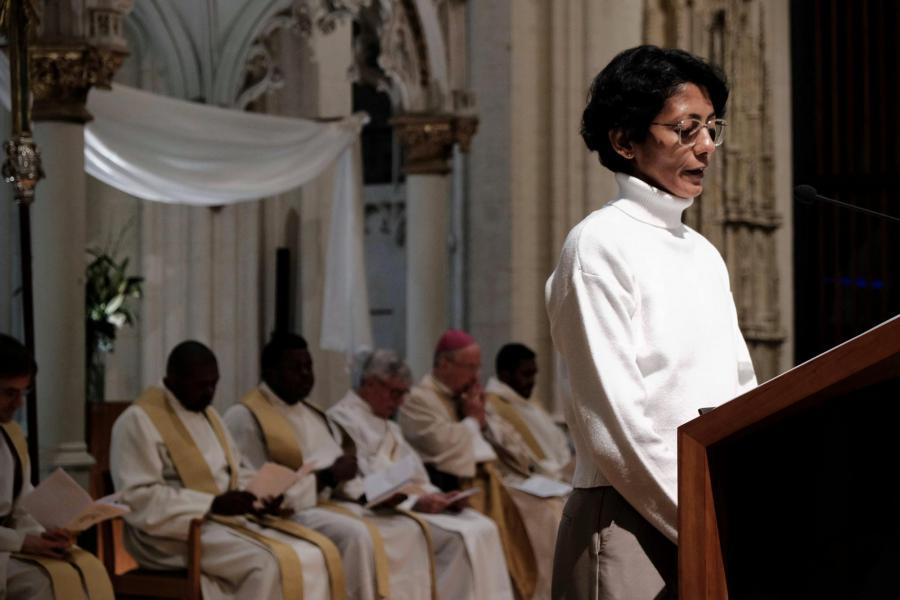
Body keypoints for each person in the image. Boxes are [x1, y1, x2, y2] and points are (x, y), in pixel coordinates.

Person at [546, 45, 758, 599]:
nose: (707, 146)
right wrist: (699, 526)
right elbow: (617, 426)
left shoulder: (702, 252)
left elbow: (740, 388)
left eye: (712, 127)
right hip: (629, 518)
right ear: (624, 141)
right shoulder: (598, 246)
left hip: (707, 510)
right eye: (687, 129)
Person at [110, 340, 340, 600]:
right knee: (267, 564)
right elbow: (137, 497)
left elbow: (232, 471)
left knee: (311, 554)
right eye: (201, 385)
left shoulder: (208, 414)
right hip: (173, 535)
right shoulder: (138, 420)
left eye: (214, 384)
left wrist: (259, 495)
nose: (209, 393)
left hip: (220, 523)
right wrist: (211, 504)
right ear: (172, 379)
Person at [225, 333, 432, 600]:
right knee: (356, 535)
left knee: (408, 528)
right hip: (286, 511)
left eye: (308, 367)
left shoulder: (312, 413)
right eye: (296, 368)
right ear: (270, 372)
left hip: (325, 503)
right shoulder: (244, 417)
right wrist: (325, 478)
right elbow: (255, 488)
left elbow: (343, 476)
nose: (305, 375)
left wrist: (371, 496)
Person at [328, 348, 515, 600]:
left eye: (403, 393)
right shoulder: (341, 419)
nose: (399, 402)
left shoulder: (389, 426)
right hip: (373, 510)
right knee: (458, 538)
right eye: (394, 392)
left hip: (406, 505)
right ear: (370, 383)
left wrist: (441, 497)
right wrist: (415, 501)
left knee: (484, 527)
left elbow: (416, 476)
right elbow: (358, 484)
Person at [399, 329, 564, 600]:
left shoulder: (468, 396)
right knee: (543, 516)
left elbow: (512, 443)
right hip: (457, 486)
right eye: (470, 367)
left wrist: (483, 420)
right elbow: (444, 447)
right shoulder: (419, 400)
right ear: (444, 364)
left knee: (553, 507)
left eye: (478, 367)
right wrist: (473, 421)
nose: (476, 376)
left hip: (493, 481)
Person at [0, 333, 114, 600]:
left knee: (88, 569)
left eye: (23, 392)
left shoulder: (10, 437)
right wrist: (24, 542)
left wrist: (46, 534)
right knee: (44, 583)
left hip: (7, 545)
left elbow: (21, 506)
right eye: (9, 393)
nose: (19, 404)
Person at [484, 343, 573, 481]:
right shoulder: (492, 406)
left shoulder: (529, 402)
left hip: (558, 476)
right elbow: (519, 453)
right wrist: (559, 473)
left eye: (534, 374)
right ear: (505, 375)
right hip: (531, 480)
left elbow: (557, 438)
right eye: (526, 374)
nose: (532, 381)